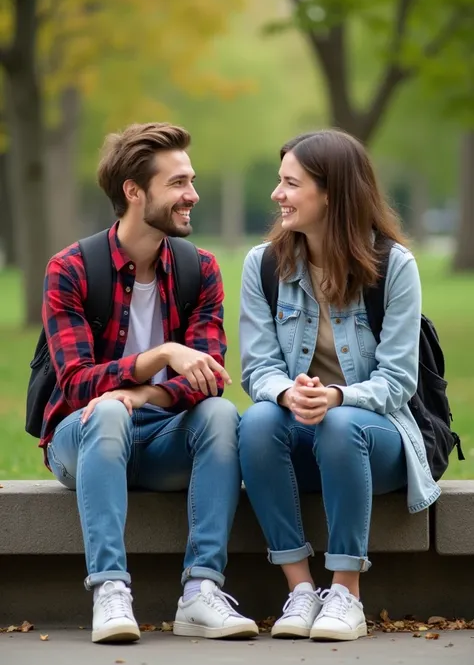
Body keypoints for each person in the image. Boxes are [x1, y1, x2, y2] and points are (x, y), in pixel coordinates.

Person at [41, 122, 258, 644]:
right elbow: (76, 386)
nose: (193, 195)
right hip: (83, 437)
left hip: (163, 441)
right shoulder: (70, 269)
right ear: (134, 192)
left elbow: (210, 379)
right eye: (179, 183)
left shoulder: (199, 269)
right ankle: (110, 590)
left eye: (192, 180)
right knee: (109, 411)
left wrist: (143, 393)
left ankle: (201, 592)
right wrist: (159, 355)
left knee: (222, 415)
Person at [238, 129, 440, 642]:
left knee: (341, 423)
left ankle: (346, 592)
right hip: (302, 433)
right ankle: (302, 590)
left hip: (378, 438)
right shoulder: (263, 266)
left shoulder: (393, 266)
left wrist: (336, 396)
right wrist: (287, 393)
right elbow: (258, 368)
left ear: (330, 193)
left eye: (290, 183)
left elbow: (396, 382)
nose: (276, 194)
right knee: (257, 420)